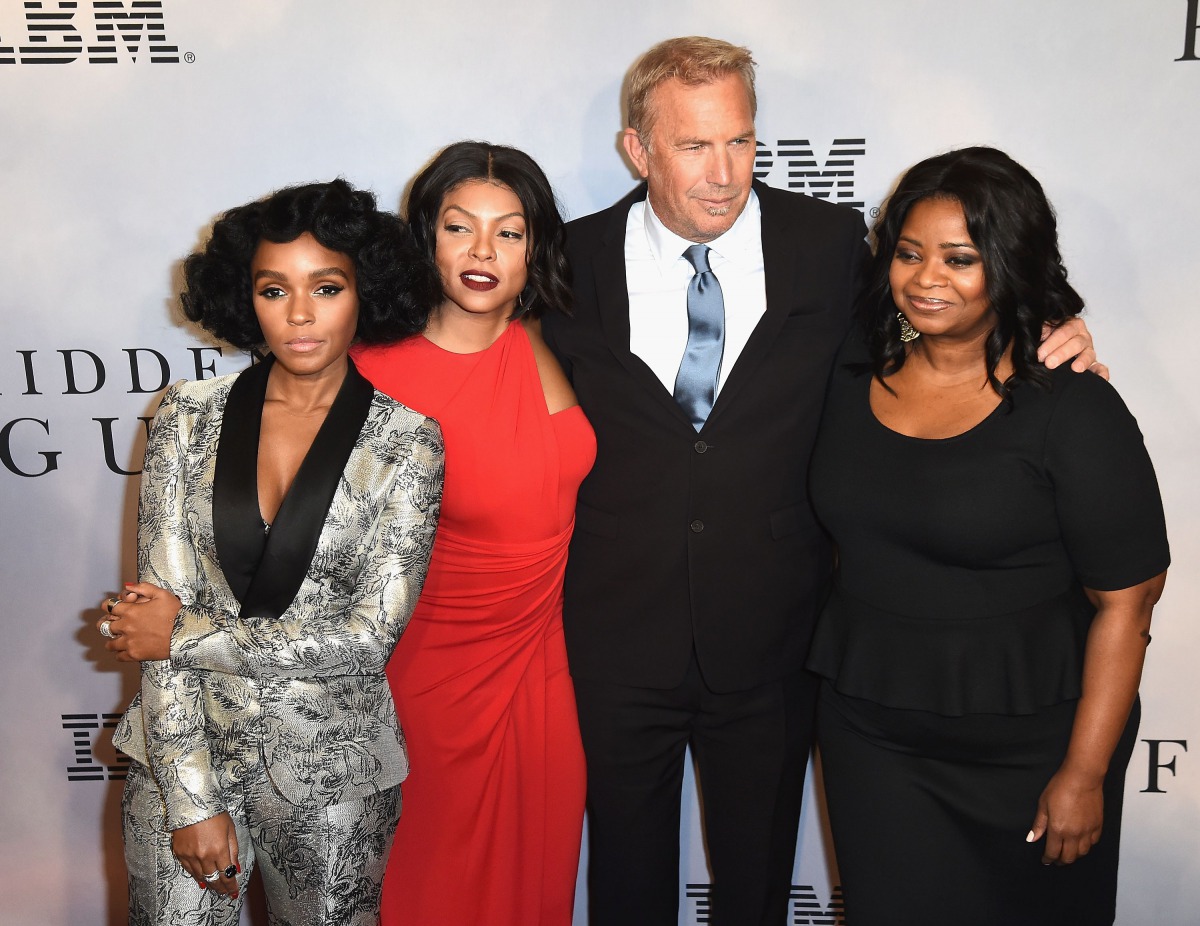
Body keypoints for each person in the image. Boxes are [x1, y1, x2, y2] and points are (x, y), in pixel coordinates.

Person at [540, 37, 1102, 926]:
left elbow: (950, 299)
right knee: (625, 880)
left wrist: (1056, 326)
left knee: (758, 882)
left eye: (742, 142)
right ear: (638, 150)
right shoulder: (566, 262)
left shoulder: (830, 241)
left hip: (776, 634)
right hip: (614, 634)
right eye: (693, 147)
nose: (725, 174)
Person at [806, 147, 1169, 926]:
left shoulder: (1072, 408)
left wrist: (1084, 771)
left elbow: (1127, 605)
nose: (926, 277)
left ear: (1008, 261)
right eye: (908, 253)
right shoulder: (849, 366)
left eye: (959, 258)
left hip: (1031, 750)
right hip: (873, 736)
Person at [95, 179, 445, 925]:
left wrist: (186, 635)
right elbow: (158, 608)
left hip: (335, 770)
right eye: (273, 289)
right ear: (244, 299)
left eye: (326, 287)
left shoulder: (407, 442)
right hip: (180, 757)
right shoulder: (187, 415)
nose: (300, 315)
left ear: (365, 293)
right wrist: (190, 798)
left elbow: (364, 639)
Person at [352, 141, 595, 926]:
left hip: (543, 675)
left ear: (536, 248)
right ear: (427, 238)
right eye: (461, 227)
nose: (484, 251)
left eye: (510, 232)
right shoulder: (370, 375)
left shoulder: (559, 344)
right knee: (425, 892)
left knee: (535, 888)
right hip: (424, 685)